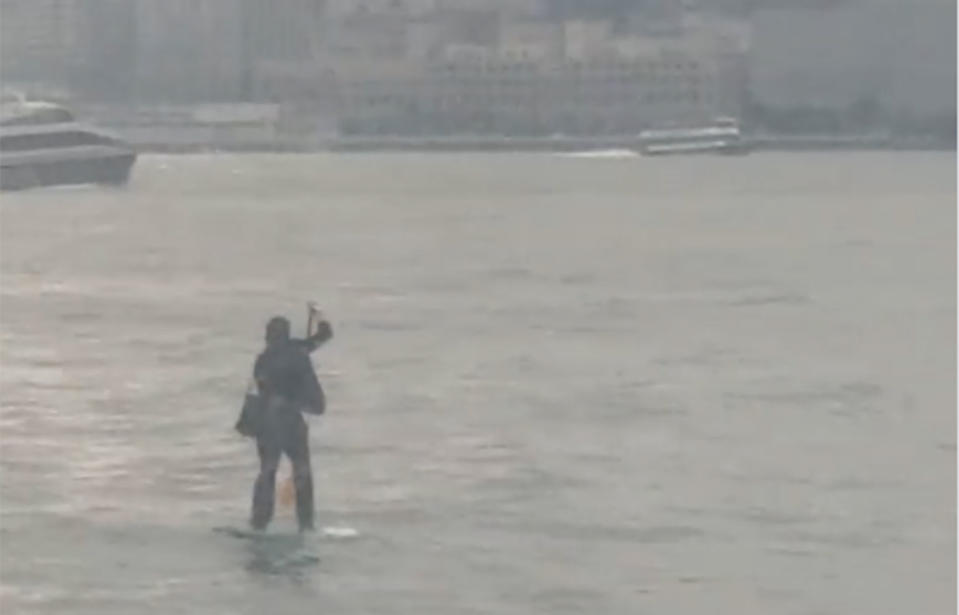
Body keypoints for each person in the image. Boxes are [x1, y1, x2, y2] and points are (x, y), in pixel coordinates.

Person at [249, 308, 332, 532]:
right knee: (302, 470)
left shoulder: (263, 360)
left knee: (267, 470)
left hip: (267, 423)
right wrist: (319, 316)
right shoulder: (298, 351)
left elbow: (261, 392)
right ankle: (306, 524)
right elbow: (324, 335)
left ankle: (259, 523)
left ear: (269, 336)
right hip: (291, 421)